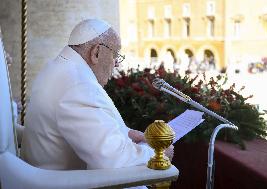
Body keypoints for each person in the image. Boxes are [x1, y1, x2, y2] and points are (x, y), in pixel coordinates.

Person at [21, 19, 173, 175]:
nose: (117, 64)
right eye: (115, 55)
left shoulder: (56, 68)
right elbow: (112, 159)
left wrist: (127, 133)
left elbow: (89, 129)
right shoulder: (78, 86)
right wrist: (157, 154)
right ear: (96, 53)